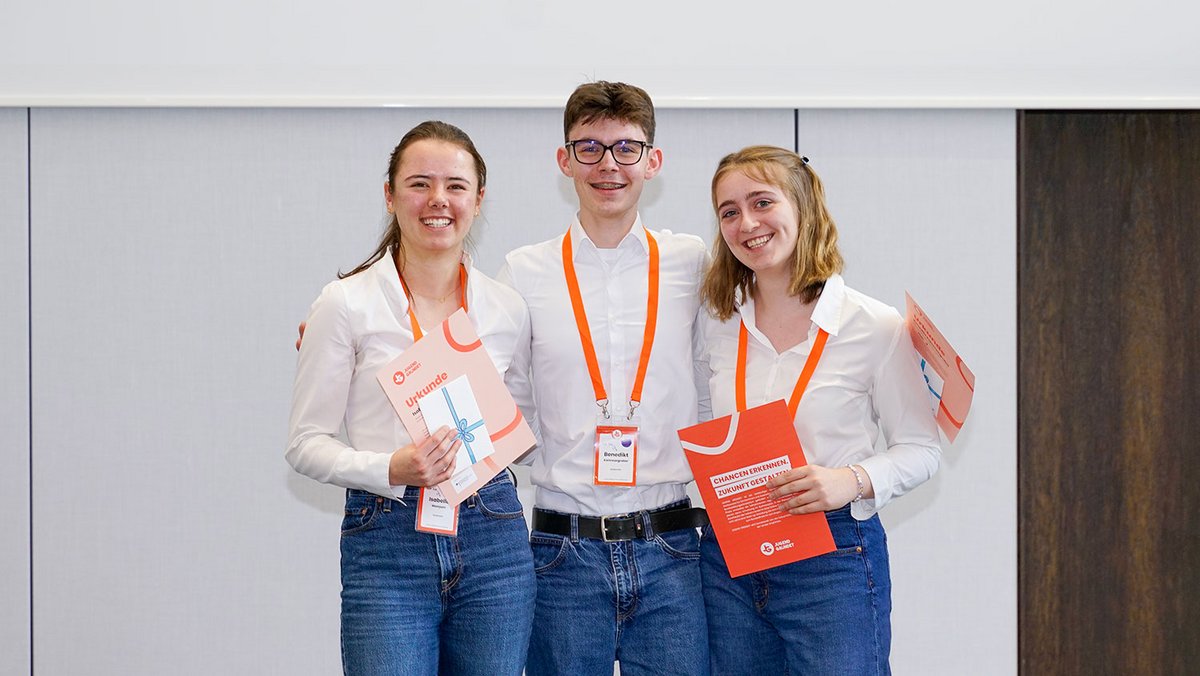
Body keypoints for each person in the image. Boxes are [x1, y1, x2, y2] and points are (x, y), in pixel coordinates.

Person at [286, 120, 535, 676]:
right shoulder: (345, 304)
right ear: (390, 195)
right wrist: (389, 468)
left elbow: (522, 428)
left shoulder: (506, 308)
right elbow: (305, 445)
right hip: (387, 537)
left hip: (494, 538)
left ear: (479, 199)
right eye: (420, 183)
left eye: (456, 185)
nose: (438, 199)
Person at [697, 145, 941, 675]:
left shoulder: (874, 326)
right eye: (729, 211)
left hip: (832, 557)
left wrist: (850, 481)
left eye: (762, 202)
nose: (747, 223)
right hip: (730, 556)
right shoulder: (716, 325)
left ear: (803, 206)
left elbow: (923, 450)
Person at [496, 81, 712, 676]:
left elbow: (764, 314)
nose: (608, 164)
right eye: (589, 147)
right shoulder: (524, 271)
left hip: (673, 549)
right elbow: (489, 378)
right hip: (561, 553)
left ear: (653, 161)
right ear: (564, 160)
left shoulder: (693, 263)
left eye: (626, 148)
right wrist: (358, 339)